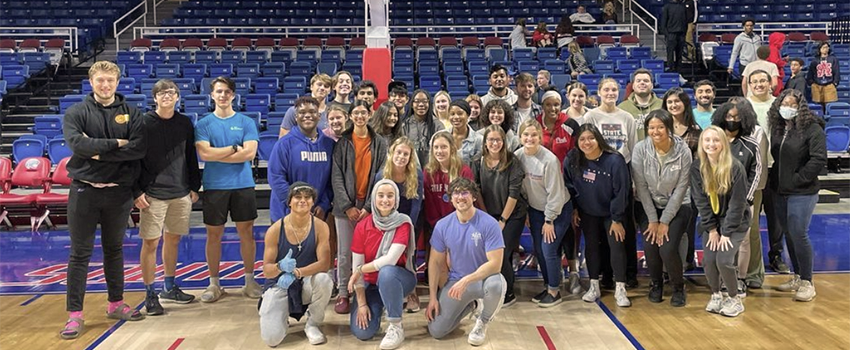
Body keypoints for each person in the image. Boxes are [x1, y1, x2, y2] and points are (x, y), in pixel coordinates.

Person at [60, 61, 147, 339]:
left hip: (119, 193)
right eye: (100, 80)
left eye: (110, 80)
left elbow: (138, 150)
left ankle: (115, 303)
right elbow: (78, 145)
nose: (105, 85)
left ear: (118, 82)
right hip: (84, 191)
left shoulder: (132, 114)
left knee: (114, 249)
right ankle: (74, 315)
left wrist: (97, 151)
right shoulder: (77, 112)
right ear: (91, 81)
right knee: (80, 253)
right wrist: (116, 144)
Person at [135, 79, 201, 316]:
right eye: (161, 93)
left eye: (171, 92)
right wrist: (137, 191)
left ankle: (169, 286)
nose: (166, 96)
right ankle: (150, 293)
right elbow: (134, 159)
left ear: (177, 97)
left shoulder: (184, 123)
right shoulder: (143, 123)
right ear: (154, 98)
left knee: (173, 240)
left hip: (180, 191)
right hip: (153, 194)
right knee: (151, 243)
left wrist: (194, 185)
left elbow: (190, 155)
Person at [195, 77, 260, 303]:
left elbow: (250, 154)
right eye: (218, 92)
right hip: (215, 186)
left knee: (247, 234)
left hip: (243, 184)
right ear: (212, 95)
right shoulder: (203, 124)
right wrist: (234, 149)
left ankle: (249, 281)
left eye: (227, 92)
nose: (223, 95)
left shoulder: (246, 122)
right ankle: (214, 284)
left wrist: (218, 153)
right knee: (213, 235)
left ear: (233, 95)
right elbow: (204, 154)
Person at [425, 178, 506, 346]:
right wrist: (433, 297)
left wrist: (467, 279)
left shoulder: (489, 223)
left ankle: (482, 322)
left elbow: (495, 264)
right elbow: (434, 263)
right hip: (457, 282)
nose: (460, 197)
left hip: (483, 280)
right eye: (456, 193)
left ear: (474, 197)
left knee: (495, 286)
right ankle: (471, 305)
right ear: (450, 198)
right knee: (436, 331)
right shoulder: (442, 225)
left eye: (465, 192)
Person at [331, 100, 389, 314]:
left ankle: (368, 291)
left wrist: (367, 206)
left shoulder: (379, 142)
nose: (359, 116)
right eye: (355, 113)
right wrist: (347, 206)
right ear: (350, 116)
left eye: (363, 112)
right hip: (345, 209)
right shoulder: (342, 142)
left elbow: (382, 174)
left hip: (370, 208)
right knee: (345, 253)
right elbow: (336, 176)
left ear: (370, 114)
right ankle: (343, 293)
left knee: (372, 253)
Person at [768, 89, 826, 302]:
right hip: (779, 190)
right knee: (789, 234)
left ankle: (808, 281)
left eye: (793, 104)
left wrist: (798, 179)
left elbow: (818, 159)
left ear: (800, 106)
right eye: (785, 103)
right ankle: (797, 276)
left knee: (799, 233)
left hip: (803, 191)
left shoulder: (812, 128)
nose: (788, 108)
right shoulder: (778, 127)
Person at [564, 124, 631, 307]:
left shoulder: (614, 160)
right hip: (588, 211)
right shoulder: (572, 159)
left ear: (598, 139)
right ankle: (594, 286)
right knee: (591, 246)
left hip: (611, 212)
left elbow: (621, 191)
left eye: (591, 138)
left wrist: (617, 218)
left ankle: (620, 287)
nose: (587, 143)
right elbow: (569, 185)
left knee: (616, 245)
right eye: (582, 139)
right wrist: (575, 208)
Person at [631, 110, 692, 307]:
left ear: (669, 128)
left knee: (667, 247)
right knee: (650, 244)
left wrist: (665, 221)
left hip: (678, 205)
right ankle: (655, 283)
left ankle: (678, 286)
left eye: (660, 127)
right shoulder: (640, 149)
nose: (655, 131)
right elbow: (641, 187)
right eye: (651, 127)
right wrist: (653, 220)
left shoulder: (683, 151)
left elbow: (682, 188)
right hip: (647, 205)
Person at [259, 183, 332, 346]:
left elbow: (324, 264)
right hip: (280, 285)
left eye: (307, 198)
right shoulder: (275, 230)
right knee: (271, 339)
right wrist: (279, 267)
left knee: (324, 280)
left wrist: (297, 272)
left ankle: (312, 324)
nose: (303, 201)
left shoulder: (320, 227)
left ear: (313, 202)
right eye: (298, 197)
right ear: (289, 202)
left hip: (306, 282)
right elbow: (266, 270)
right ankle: (279, 314)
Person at [582, 78, 639, 287]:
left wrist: (632, 180)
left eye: (614, 89)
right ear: (599, 92)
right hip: (598, 177)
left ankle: (628, 275)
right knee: (601, 232)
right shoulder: (590, 116)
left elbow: (631, 149)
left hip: (621, 176)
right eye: (606, 89)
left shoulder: (627, 117)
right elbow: (585, 145)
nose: (610, 92)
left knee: (624, 231)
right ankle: (606, 276)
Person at [348, 180, 417, 349]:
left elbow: (390, 260)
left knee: (386, 272)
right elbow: (357, 265)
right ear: (373, 198)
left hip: (399, 279)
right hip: (371, 284)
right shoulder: (362, 226)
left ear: (396, 199)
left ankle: (396, 326)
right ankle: (383, 306)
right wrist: (362, 304)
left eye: (390, 195)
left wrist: (360, 270)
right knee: (363, 332)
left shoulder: (403, 223)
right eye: (381, 195)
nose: (385, 200)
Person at [690, 126, 750, 317]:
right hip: (713, 222)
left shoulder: (735, 167)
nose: (711, 144)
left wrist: (726, 232)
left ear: (723, 143)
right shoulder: (697, 167)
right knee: (708, 261)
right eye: (707, 140)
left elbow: (737, 204)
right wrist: (712, 229)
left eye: (716, 140)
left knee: (723, 260)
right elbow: (700, 201)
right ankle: (716, 295)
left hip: (735, 221)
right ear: (701, 144)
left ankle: (734, 298)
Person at [515, 119, 573, 307]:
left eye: (534, 135)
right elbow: (521, 189)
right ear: (520, 137)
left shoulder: (549, 160)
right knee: (539, 249)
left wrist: (549, 220)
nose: (530, 138)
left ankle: (555, 292)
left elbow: (555, 194)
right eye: (526, 134)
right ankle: (549, 286)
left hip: (557, 210)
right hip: (535, 210)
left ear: (540, 137)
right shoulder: (518, 157)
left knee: (549, 249)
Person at [711, 98, 766, 293]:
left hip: (744, 202)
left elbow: (756, 172)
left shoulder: (751, 144)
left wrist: (746, 199)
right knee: (720, 237)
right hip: (718, 201)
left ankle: (741, 277)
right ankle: (723, 277)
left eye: (736, 117)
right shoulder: (715, 141)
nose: (732, 120)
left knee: (742, 240)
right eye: (728, 116)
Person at [472, 125, 527, 307]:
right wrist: (487, 217)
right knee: (490, 252)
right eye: (491, 140)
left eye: (498, 140)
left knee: (500, 251)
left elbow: (513, 194)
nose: (494, 143)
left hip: (512, 215)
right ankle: (494, 287)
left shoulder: (513, 162)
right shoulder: (478, 161)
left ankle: (508, 293)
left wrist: (502, 221)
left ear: (503, 142)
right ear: (485, 142)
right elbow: (477, 189)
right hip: (490, 213)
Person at [375, 137, 425, 313]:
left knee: (409, 257)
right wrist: (388, 226)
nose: (401, 156)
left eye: (406, 154)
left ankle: (412, 293)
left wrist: (407, 227)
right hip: (388, 221)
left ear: (410, 157)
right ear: (392, 153)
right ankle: (385, 293)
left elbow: (417, 204)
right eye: (399, 152)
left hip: (410, 220)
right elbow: (377, 203)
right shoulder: (382, 175)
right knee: (387, 255)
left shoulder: (416, 174)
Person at [269, 96, 335, 223]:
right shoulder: (284, 144)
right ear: (296, 117)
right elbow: (276, 178)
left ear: (319, 116)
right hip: (286, 213)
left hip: (317, 213)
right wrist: (298, 205)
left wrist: (324, 205)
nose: (307, 115)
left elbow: (331, 181)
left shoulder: (329, 144)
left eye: (312, 112)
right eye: (302, 112)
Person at [423, 131, 476, 236]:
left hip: (462, 225)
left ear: (452, 148)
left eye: (443, 147)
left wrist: (458, 225)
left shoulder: (463, 171)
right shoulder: (429, 172)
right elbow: (430, 206)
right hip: (437, 227)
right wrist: (439, 226)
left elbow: (467, 202)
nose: (439, 151)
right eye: (436, 147)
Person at [401, 89, 445, 168]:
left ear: (429, 103)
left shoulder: (438, 125)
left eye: (424, 101)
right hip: (410, 169)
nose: (421, 104)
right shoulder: (404, 125)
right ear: (411, 104)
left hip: (432, 170)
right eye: (417, 101)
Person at [280, 73, 333, 137]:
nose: (322, 88)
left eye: (326, 86)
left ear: (329, 91)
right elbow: (283, 138)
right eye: (319, 85)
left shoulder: (331, 113)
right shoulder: (294, 110)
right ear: (311, 87)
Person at [537, 90, 580, 165]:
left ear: (561, 106)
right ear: (542, 106)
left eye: (556, 105)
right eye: (548, 105)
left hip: (563, 173)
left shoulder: (570, 124)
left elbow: (575, 154)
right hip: (540, 173)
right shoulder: (536, 124)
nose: (552, 108)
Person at [618, 69, 663, 140]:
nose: (642, 83)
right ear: (632, 86)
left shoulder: (663, 105)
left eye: (646, 81)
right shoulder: (622, 108)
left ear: (652, 85)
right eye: (638, 81)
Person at [807, 41, 841, 113]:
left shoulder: (833, 59)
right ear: (819, 49)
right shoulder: (815, 60)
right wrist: (812, 83)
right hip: (817, 85)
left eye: (827, 47)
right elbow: (811, 73)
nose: (826, 49)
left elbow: (836, 72)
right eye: (824, 47)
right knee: (818, 105)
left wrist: (835, 83)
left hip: (829, 85)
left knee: (829, 104)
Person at [448, 99, 484, 164]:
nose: (456, 117)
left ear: (468, 115)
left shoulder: (479, 140)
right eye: (452, 114)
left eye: (460, 113)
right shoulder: (440, 136)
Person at [660, 0, 687, 73]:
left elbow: (685, 20)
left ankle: (679, 68)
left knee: (679, 52)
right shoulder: (667, 7)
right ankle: (670, 67)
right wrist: (666, 34)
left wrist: (684, 32)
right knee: (670, 52)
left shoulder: (682, 7)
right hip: (671, 33)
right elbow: (663, 21)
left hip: (680, 33)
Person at [766, 32, 787, 97]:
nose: (782, 43)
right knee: (776, 93)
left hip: (774, 74)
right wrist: (784, 62)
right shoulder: (773, 49)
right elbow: (774, 62)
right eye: (781, 41)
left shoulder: (773, 48)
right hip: (775, 74)